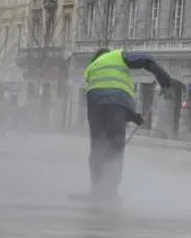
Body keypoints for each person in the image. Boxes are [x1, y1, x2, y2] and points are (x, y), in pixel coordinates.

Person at [75, 48, 175, 205]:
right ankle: (111, 194)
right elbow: (146, 60)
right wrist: (165, 81)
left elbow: (106, 99)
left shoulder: (91, 68)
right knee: (115, 149)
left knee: (98, 149)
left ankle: (96, 191)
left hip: (94, 106)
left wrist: (134, 118)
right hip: (115, 105)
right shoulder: (117, 56)